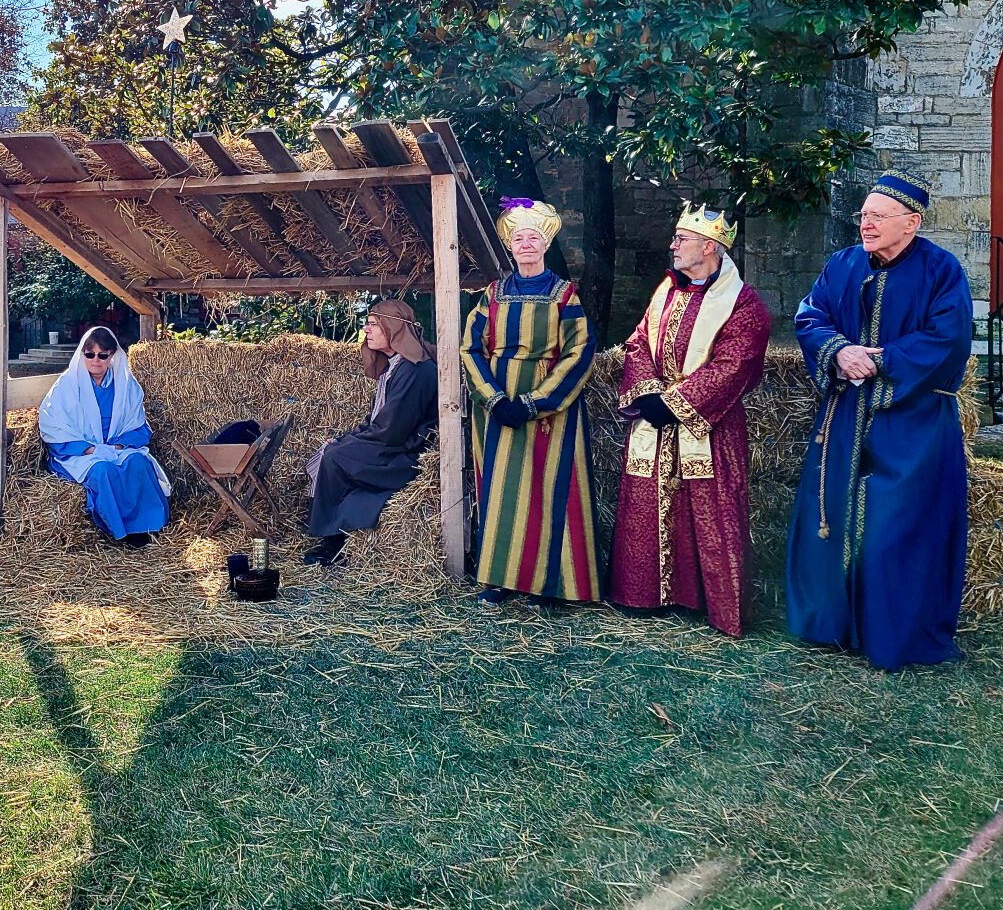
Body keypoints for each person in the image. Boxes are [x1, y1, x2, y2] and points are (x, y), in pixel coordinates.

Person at [787, 170, 973, 670]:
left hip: (912, 423)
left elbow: (949, 338)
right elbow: (810, 316)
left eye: (877, 217)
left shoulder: (942, 271)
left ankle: (894, 636)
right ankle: (832, 626)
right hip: (846, 417)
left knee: (897, 524)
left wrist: (884, 361)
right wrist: (840, 351)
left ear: (911, 223)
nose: (865, 224)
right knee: (833, 517)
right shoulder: (843, 264)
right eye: (863, 215)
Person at [610, 202, 771, 636]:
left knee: (708, 507)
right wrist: (648, 396)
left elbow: (735, 364)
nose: (673, 245)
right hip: (656, 418)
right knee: (648, 502)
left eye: (681, 239)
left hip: (708, 427)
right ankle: (645, 594)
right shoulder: (666, 290)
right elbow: (639, 342)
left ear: (709, 246)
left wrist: (676, 403)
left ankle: (708, 600)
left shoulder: (744, 304)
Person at [463, 198, 601, 607]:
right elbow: (469, 348)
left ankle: (550, 585)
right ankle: (500, 579)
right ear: (511, 246)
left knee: (549, 486)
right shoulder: (492, 294)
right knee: (502, 490)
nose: (526, 244)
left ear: (545, 245)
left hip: (549, 409)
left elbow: (579, 351)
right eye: (519, 238)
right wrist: (493, 399)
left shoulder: (565, 296)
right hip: (498, 405)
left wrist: (534, 402)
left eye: (533, 238)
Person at [302, 298, 440, 566]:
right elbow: (376, 420)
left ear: (393, 328)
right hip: (388, 445)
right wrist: (344, 439)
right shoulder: (396, 367)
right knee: (332, 449)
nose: (366, 330)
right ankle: (333, 531)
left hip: (403, 455)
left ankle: (333, 542)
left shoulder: (417, 371)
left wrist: (346, 446)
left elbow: (391, 431)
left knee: (335, 457)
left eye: (373, 324)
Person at [38, 326, 171, 548]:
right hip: (80, 452)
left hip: (116, 447)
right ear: (83, 354)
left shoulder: (126, 385)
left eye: (102, 355)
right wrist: (88, 449)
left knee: (138, 463)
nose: (96, 360)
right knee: (103, 471)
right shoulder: (66, 385)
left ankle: (148, 526)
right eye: (90, 354)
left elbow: (137, 423)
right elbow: (52, 423)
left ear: (112, 356)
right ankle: (120, 531)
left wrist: (119, 445)